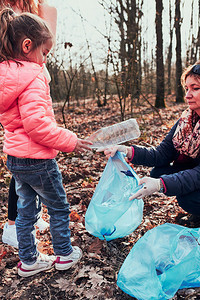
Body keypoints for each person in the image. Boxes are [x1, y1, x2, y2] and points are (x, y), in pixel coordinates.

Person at [0, 8, 92, 277]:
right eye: (45, 53)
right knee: (59, 206)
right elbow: (37, 126)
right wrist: (70, 140)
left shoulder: (7, 77)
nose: (45, 60)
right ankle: (64, 253)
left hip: (16, 160)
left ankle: (29, 260)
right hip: (38, 160)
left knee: (26, 210)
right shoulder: (32, 75)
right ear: (28, 46)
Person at [101, 62, 200, 227]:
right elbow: (161, 154)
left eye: (195, 88)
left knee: (187, 197)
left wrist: (161, 185)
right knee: (158, 171)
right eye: (186, 88)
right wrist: (126, 150)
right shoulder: (186, 121)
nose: (187, 95)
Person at [0, 0, 57, 248]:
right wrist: (70, 141)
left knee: (22, 164)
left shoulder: (37, 5)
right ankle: (15, 224)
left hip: (21, 78)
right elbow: (36, 126)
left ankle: (27, 219)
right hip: (22, 78)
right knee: (28, 158)